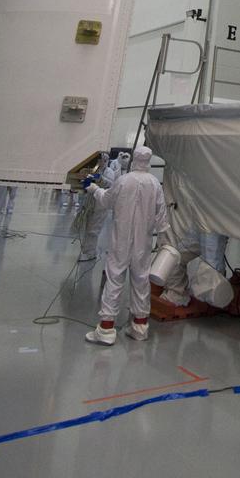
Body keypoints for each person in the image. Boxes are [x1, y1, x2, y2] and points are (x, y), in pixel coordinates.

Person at [85, 146, 168, 345]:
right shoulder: (154, 183)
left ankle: (106, 329)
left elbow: (106, 201)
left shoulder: (123, 180)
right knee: (141, 280)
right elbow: (162, 216)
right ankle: (140, 327)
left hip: (120, 239)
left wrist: (93, 188)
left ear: (133, 159)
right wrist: (164, 240)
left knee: (115, 277)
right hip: (143, 241)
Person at [75, 151, 130, 261]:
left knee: (93, 229)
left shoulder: (109, 171)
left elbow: (111, 184)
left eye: (102, 160)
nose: (100, 162)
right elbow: (85, 185)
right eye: (99, 160)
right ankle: (86, 249)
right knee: (86, 228)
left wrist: (100, 178)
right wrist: (87, 179)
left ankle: (90, 252)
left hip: (100, 204)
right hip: (89, 203)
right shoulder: (93, 170)